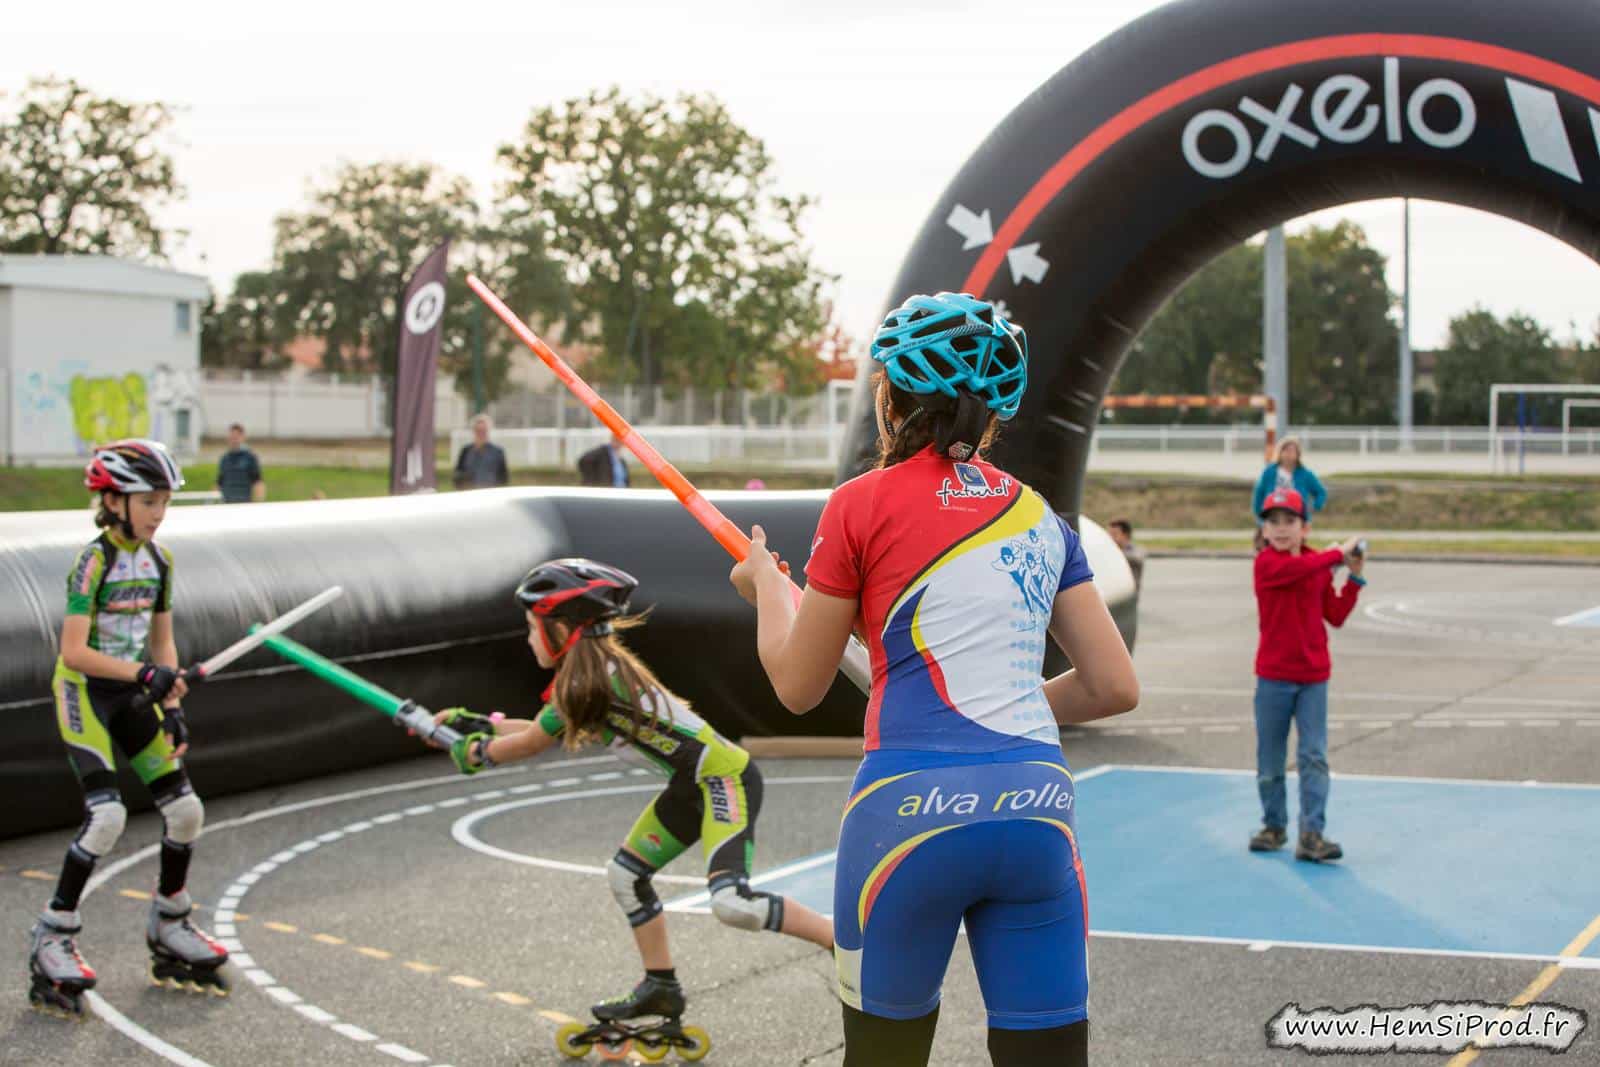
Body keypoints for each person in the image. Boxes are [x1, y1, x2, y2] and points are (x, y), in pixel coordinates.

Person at [729, 292, 1139, 1067]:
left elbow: (797, 683)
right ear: (993, 415)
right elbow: (1114, 685)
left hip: (907, 813)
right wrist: (1002, 713)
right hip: (1036, 807)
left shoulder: (859, 506)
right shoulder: (1040, 516)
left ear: (891, 397)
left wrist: (768, 593)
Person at [436, 558, 833, 1033]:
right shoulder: (593, 673)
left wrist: (478, 750)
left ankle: (847, 947)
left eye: (530, 627)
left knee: (733, 904)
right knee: (625, 876)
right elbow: (541, 731)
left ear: (561, 630)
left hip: (723, 779)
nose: (527, 638)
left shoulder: (586, 680)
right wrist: (481, 727)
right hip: (692, 785)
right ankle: (660, 988)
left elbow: (530, 743)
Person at [28, 439, 228, 1019]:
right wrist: (146, 671)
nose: (159, 512)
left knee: (187, 811)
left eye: (165, 501)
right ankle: (53, 932)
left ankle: (170, 919)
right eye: (149, 501)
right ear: (113, 501)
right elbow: (74, 651)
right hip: (85, 691)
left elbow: (161, 639)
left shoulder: (161, 562)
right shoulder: (94, 562)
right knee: (109, 815)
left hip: (133, 692)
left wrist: (168, 698)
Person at [1249, 487, 1365, 863]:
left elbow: (1335, 614)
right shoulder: (1267, 564)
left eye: (1290, 521)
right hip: (1273, 678)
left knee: (1314, 755)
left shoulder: (1317, 564)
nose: (1281, 529)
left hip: (1313, 678)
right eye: (1273, 522)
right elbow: (1295, 570)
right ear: (1264, 530)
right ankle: (1274, 825)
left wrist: (1353, 580)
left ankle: (1312, 834)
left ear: (1305, 527)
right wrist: (1337, 554)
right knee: (1270, 762)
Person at [1251, 437, 1325, 527]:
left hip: (1296, 516)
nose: (1288, 454)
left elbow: (1320, 492)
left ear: (1298, 454)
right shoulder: (1269, 472)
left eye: (1292, 451)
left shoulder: (1305, 474)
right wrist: (1259, 515)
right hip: (1273, 514)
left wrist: (1314, 507)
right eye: (1285, 450)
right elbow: (1259, 493)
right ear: (1279, 452)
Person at [453, 413, 510, 489]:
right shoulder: (466, 451)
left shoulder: (498, 452)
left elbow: (503, 478)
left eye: (483, 431)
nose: (481, 434)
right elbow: (458, 474)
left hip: (490, 494)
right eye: (478, 431)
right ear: (474, 431)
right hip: (470, 494)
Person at [215, 423, 264, 503]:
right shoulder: (224, 459)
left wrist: (258, 502)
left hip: (244, 503)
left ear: (242, 437)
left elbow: (258, 482)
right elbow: (219, 482)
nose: (233, 439)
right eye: (231, 437)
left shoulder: (250, 457)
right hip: (227, 503)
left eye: (236, 437)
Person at [1106, 519, 1146, 590]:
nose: (1109, 538)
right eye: (1108, 534)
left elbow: (1137, 557)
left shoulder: (1137, 551)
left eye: (1114, 534)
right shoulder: (1110, 550)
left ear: (1125, 535)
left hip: (1129, 595)